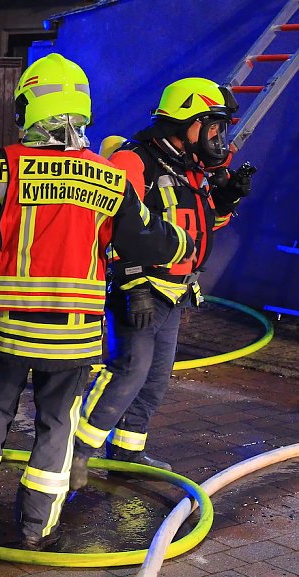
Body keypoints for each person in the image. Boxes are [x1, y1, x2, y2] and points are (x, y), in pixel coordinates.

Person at [0, 53, 196, 551]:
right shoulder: (109, 176)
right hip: (75, 337)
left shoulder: (8, 165)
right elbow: (148, 241)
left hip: (7, 331)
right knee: (57, 426)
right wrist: (183, 245)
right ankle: (36, 529)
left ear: (29, 107)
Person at [70, 77, 254, 489]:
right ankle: (76, 453)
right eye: (211, 126)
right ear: (185, 122)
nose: (217, 137)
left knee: (155, 375)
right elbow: (113, 224)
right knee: (128, 371)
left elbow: (201, 226)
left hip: (176, 290)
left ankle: (128, 450)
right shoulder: (135, 162)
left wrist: (227, 200)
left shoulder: (189, 169)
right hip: (141, 290)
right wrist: (133, 284)